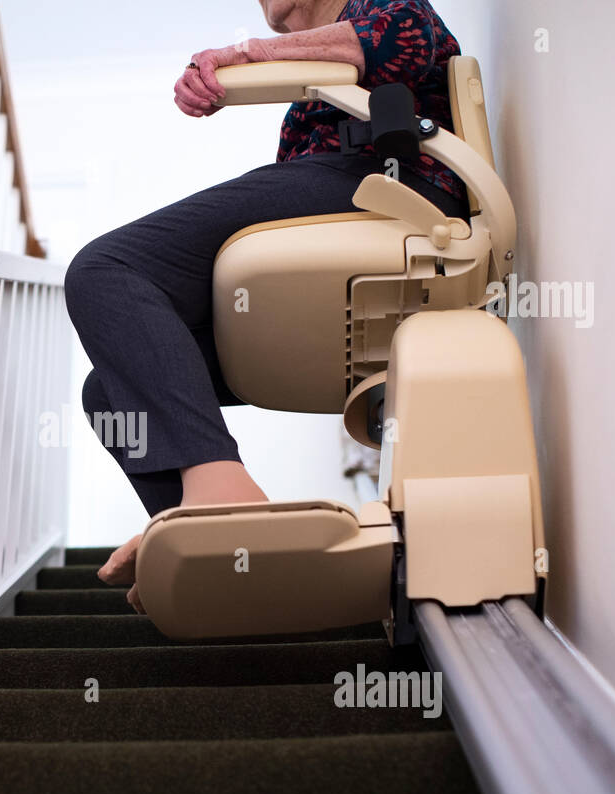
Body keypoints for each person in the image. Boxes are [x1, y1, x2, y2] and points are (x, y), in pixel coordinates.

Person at [64, 0, 469, 611]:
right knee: (110, 390)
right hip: (340, 237)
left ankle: (222, 493)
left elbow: (386, 39)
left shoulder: (391, 7)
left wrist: (242, 56)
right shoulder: (306, 99)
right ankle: (206, 540)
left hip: (389, 191)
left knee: (106, 269)